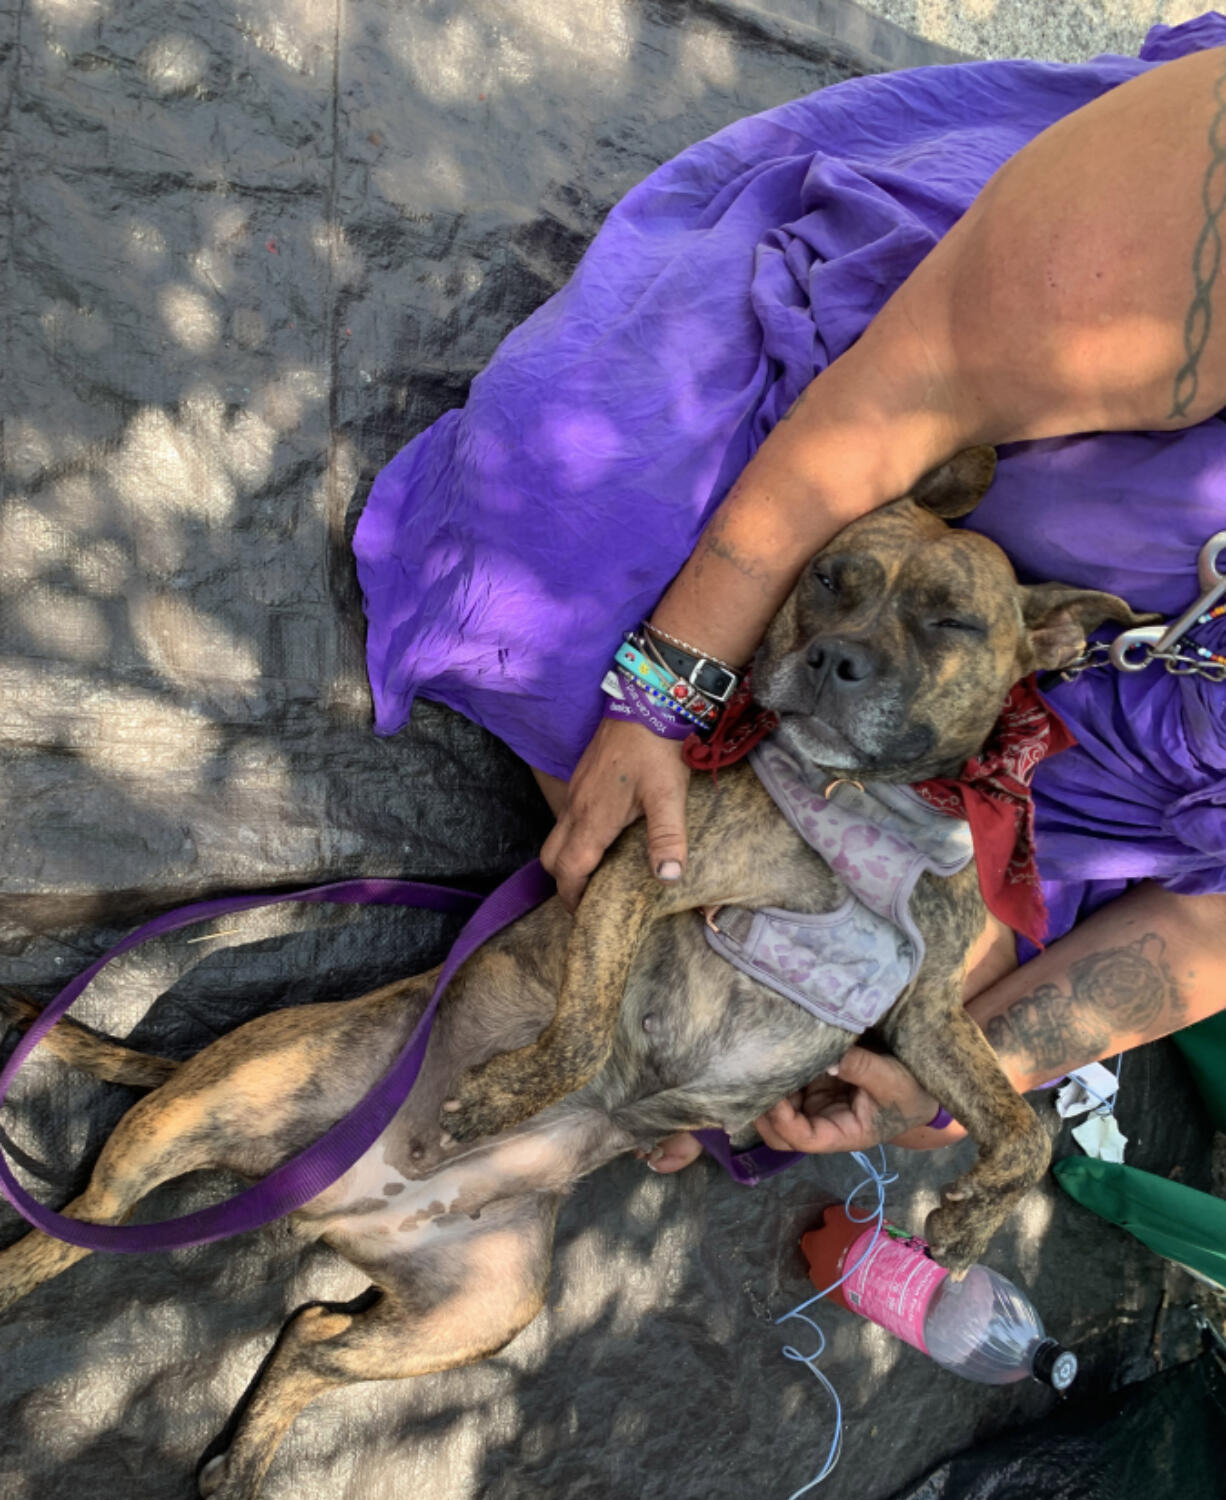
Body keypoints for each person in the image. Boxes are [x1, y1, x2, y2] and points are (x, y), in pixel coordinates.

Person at [353, 18, 1226, 1174]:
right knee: (547, 532)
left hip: (1021, 746)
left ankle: (645, 957)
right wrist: (659, 697)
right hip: (886, 455)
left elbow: (1205, 930)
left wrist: (945, 1070)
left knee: (895, 983)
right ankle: (625, 891)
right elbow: (908, 392)